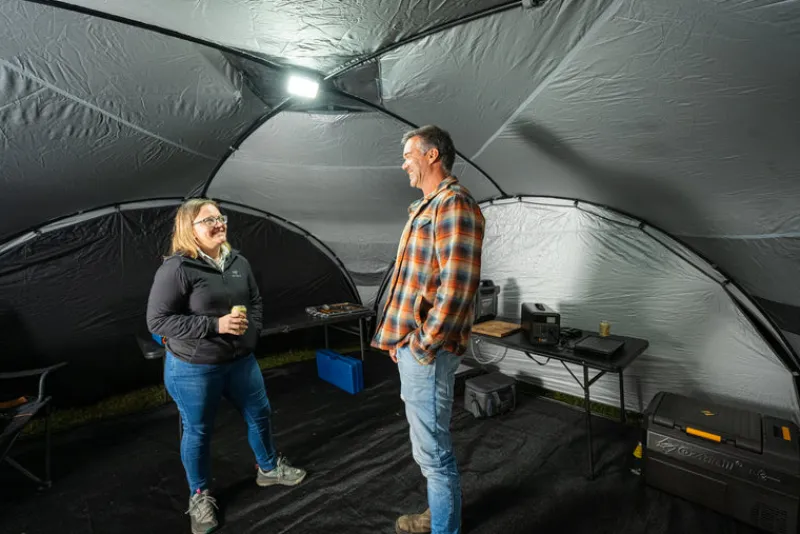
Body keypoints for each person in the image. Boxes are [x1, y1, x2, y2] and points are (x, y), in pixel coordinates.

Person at [146, 198, 306, 534]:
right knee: (198, 431)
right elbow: (157, 322)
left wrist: (252, 334)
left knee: (260, 414)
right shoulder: (176, 269)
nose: (219, 224)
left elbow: (255, 300)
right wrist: (214, 325)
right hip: (195, 367)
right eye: (209, 220)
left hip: (240, 362)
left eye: (220, 217)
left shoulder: (237, 261)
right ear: (190, 229)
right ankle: (200, 495)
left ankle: (268, 469)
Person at [372, 125, 485, 534]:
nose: (403, 164)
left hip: (429, 352)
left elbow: (457, 288)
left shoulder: (454, 204)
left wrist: (422, 344)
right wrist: (399, 337)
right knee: (427, 446)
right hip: (413, 345)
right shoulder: (425, 207)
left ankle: (444, 527)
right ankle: (440, 515)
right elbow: (415, 282)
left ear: (432, 155)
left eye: (408, 156)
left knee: (434, 452)